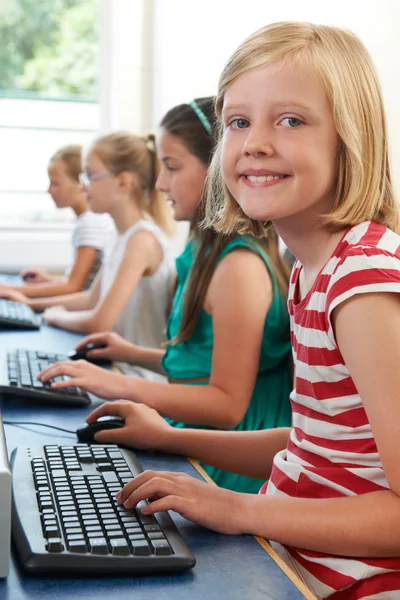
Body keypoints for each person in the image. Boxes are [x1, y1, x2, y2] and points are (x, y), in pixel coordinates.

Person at [74, 22, 400, 599]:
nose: (255, 143)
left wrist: (235, 507)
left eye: (291, 120)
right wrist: (172, 438)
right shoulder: (315, 269)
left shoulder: (364, 282)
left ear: (352, 138)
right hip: (289, 565)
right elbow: (310, 447)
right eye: (239, 122)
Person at [38, 98, 293, 493]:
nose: (159, 184)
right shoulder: (202, 254)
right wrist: (131, 353)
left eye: (172, 168)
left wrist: (124, 385)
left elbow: (227, 405)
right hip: (207, 435)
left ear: (217, 168)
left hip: (231, 458)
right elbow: (206, 364)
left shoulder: (238, 268)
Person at [24, 133, 176, 382]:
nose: (83, 185)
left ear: (123, 182)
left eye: (90, 176)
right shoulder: (122, 235)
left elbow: (99, 322)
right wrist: (30, 306)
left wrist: (55, 315)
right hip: (114, 368)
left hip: (136, 376)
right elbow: (90, 298)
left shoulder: (142, 241)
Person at [0, 144, 114, 297]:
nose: (49, 190)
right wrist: (49, 280)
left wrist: (9, 290)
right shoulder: (86, 221)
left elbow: (72, 288)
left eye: (55, 183)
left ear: (81, 183)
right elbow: (83, 282)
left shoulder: (91, 224)